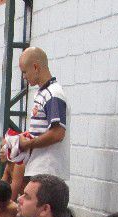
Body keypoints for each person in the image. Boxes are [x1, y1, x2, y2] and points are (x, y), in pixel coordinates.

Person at [18, 47, 70, 186]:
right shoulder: (43, 93)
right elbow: (44, 131)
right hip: (40, 167)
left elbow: (58, 133)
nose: (24, 77)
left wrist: (28, 143)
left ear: (35, 67)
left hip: (48, 170)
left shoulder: (53, 94)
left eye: (24, 72)